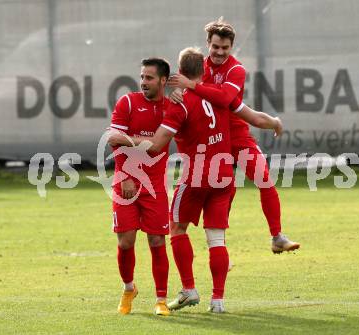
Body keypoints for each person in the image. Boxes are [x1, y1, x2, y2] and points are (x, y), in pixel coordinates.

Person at [109, 47, 283, 313]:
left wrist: (126, 139)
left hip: (195, 178)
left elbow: (156, 146)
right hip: (223, 177)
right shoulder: (221, 97)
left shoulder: (179, 105)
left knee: (176, 230)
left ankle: (189, 289)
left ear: (178, 74)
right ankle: (218, 302)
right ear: (203, 71)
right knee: (216, 239)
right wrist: (274, 122)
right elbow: (255, 118)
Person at [168, 18, 300, 254]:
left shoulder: (236, 69)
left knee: (264, 178)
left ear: (231, 47)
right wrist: (178, 90)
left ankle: (277, 236)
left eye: (225, 48)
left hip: (236, 134)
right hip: (210, 138)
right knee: (223, 189)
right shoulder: (197, 66)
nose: (220, 52)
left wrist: (191, 86)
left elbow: (226, 100)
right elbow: (180, 86)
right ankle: (218, 247)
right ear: (208, 43)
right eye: (216, 47)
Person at [108, 58, 171, 316]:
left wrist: (131, 140)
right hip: (126, 180)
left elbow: (158, 145)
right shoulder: (128, 102)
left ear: (163, 81)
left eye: (149, 78)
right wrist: (125, 174)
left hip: (155, 184)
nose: (143, 82)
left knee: (157, 240)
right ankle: (128, 288)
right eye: (142, 77)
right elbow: (113, 138)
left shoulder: (172, 107)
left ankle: (161, 299)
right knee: (126, 241)